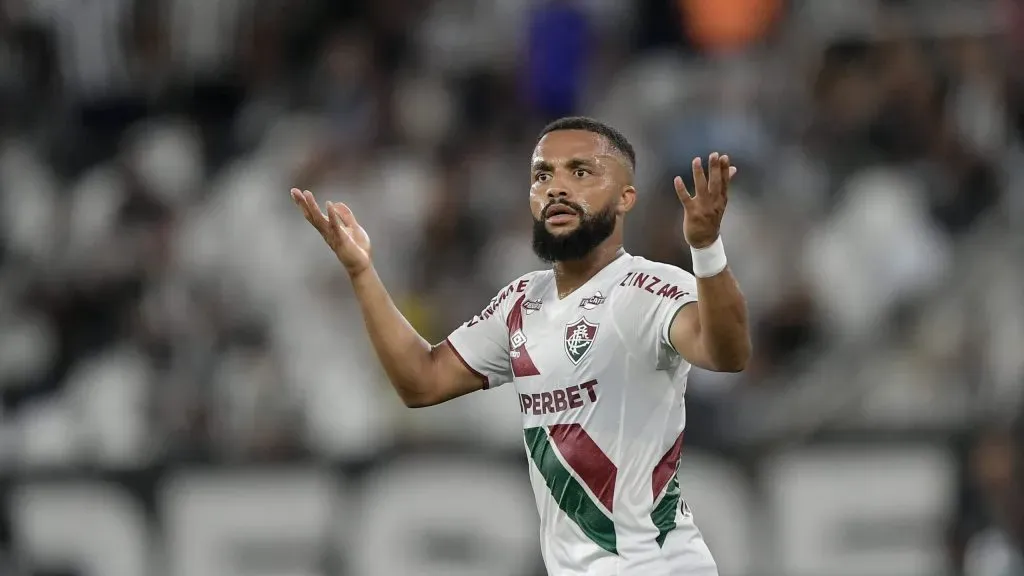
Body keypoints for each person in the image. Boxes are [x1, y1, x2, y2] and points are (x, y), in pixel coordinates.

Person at [291, 116, 751, 576]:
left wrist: (707, 248)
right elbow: (421, 381)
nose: (555, 188)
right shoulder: (520, 303)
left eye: (581, 172)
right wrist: (362, 272)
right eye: (542, 175)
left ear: (625, 197)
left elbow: (726, 354)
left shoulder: (647, 288)